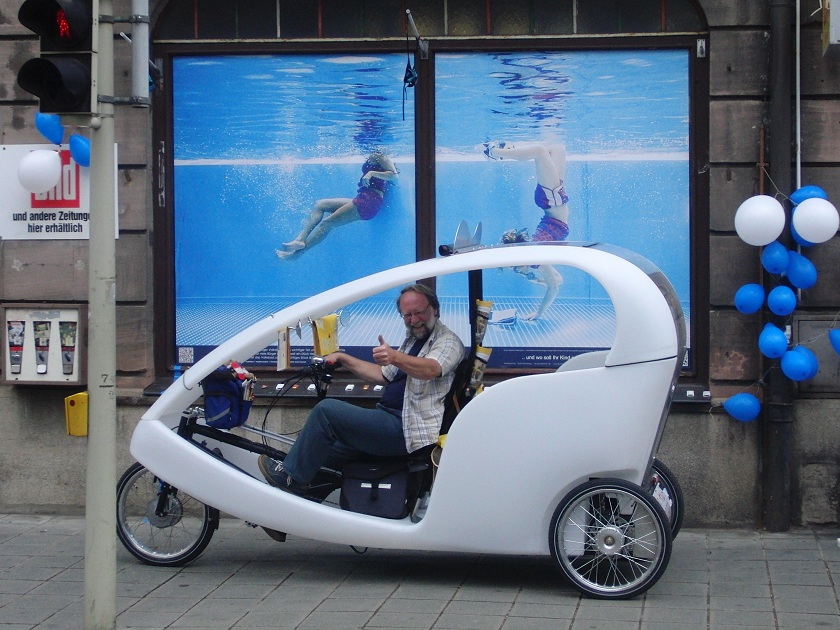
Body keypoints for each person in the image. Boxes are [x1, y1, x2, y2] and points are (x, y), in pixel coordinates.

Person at [259, 283, 465, 495]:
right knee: (325, 450)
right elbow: (383, 374)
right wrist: (342, 358)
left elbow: (431, 369)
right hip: (387, 419)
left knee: (326, 411)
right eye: (407, 315)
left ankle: (289, 478)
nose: (414, 320)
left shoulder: (448, 341)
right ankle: (297, 506)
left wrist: (394, 356)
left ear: (435, 309)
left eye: (419, 312)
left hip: (407, 430)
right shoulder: (414, 340)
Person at [484, 141, 570, 320]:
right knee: (556, 148)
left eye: (516, 268)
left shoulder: (534, 255)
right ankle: (505, 149)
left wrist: (539, 310)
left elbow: (553, 285)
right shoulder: (536, 257)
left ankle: (495, 152)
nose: (519, 271)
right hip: (552, 201)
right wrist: (539, 280)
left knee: (539, 152)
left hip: (552, 201)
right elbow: (557, 282)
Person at [277, 152, 398, 259]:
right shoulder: (371, 154)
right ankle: (299, 240)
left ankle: (297, 255)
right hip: (362, 198)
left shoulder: (382, 156)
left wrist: (371, 173)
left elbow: (394, 176)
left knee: (327, 223)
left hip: (370, 202)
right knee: (321, 204)